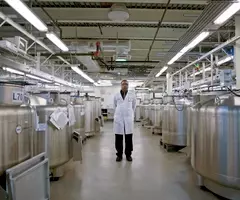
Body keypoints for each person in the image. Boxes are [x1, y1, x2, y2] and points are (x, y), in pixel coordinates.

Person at [113, 80, 136, 162]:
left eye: (126, 84)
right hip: (119, 118)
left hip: (128, 118)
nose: (124, 85)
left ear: (128, 86)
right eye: (123, 84)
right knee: (118, 137)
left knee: (129, 137)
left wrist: (129, 114)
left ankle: (128, 154)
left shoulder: (132, 95)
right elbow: (114, 106)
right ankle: (119, 155)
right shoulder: (116, 95)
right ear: (121, 85)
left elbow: (134, 106)